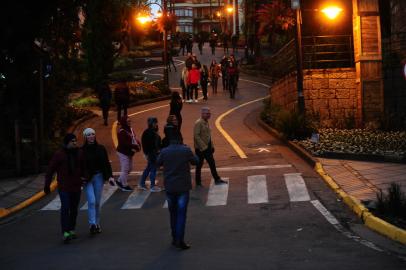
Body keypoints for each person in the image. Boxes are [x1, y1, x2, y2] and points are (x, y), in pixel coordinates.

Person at [156, 134, 198, 250]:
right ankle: (180, 240)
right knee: (181, 214)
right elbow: (196, 161)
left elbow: (157, 162)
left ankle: (174, 238)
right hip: (183, 187)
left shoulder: (165, 151)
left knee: (172, 213)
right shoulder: (185, 150)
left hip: (170, 186)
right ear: (181, 140)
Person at [44, 133, 85, 243]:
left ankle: (71, 229)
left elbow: (84, 167)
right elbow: (50, 169)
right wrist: (47, 185)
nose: (75, 143)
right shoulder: (59, 154)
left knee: (74, 209)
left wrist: (85, 177)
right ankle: (65, 232)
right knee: (65, 208)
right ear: (67, 142)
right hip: (64, 187)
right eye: (72, 141)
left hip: (76, 186)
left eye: (75, 140)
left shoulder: (79, 153)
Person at [82, 128, 114, 234]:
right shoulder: (82, 150)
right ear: (85, 137)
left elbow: (106, 163)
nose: (91, 136)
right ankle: (92, 224)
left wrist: (110, 176)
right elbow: (79, 166)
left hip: (99, 177)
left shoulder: (101, 148)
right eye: (88, 135)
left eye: (92, 134)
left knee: (97, 202)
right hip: (87, 179)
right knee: (91, 201)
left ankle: (97, 223)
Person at [193, 107, 227, 186]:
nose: (209, 115)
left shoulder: (206, 122)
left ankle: (216, 179)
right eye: (207, 114)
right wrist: (204, 147)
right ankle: (198, 182)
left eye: (209, 113)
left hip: (207, 147)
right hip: (200, 149)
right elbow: (196, 136)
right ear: (203, 114)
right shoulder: (198, 123)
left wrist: (211, 146)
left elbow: (208, 135)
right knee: (199, 165)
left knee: (212, 163)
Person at [116, 116, 141, 191]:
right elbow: (124, 144)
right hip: (123, 152)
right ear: (124, 122)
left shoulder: (130, 129)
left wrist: (137, 145)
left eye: (130, 121)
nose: (129, 122)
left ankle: (119, 181)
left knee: (129, 169)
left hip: (129, 152)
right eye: (128, 121)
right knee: (125, 168)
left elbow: (134, 138)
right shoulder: (121, 132)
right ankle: (124, 185)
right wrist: (134, 146)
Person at [139, 117, 162, 192]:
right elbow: (148, 145)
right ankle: (152, 186)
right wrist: (148, 154)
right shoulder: (149, 133)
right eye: (155, 123)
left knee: (149, 168)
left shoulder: (150, 132)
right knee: (153, 169)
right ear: (151, 123)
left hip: (151, 153)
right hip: (152, 154)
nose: (156, 124)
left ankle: (142, 183)